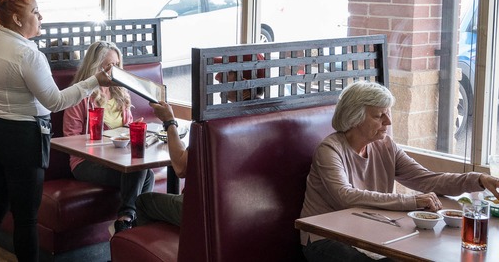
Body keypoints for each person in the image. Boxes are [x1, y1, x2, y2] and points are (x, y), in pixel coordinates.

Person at [0, 0, 113, 262]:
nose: (41, 17)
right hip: (24, 137)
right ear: (17, 19)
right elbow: (55, 102)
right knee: (26, 219)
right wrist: (95, 80)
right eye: (36, 12)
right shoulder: (29, 54)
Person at [300, 81, 499, 262]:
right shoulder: (330, 150)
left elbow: (427, 180)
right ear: (355, 118)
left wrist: (478, 179)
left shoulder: (385, 146)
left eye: (388, 113)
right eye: (379, 116)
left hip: (367, 233)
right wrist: (412, 201)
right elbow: (345, 197)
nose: (389, 122)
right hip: (326, 238)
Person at [135, 54, 265, 227]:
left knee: (143, 202)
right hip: (253, 210)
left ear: (245, 80)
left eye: (226, 72)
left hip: (210, 210)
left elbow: (181, 168)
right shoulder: (269, 115)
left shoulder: (220, 123)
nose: (217, 77)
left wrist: (169, 122)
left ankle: (175, 251)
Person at [62, 41, 154, 234]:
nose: (114, 70)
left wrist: (132, 128)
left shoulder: (120, 92)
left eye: (117, 65)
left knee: (146, 172)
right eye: (108, 66)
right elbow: (70, 137)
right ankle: (128, 223)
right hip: (85, 162)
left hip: (117, 158)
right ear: (95, 67)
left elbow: (125, 130)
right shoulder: (81, 94)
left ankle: (128, 224)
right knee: (137, 171)